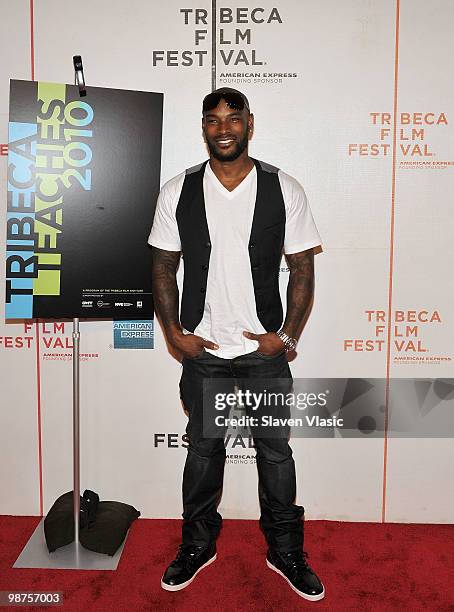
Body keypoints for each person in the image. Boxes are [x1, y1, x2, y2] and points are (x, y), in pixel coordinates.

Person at [148, 87, 325, 601]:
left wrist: (287, 338)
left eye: (232, 118)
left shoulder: (282, 187)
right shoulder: (177, 190)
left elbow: (302, 269)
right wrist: (175, 335)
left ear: (250, 122)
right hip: (204, 355)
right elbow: (162, 266)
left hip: (263, 356)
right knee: (203, 453)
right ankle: (198, 545)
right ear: (203, 127)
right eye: (212, 120)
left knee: (275, 456)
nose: (223, 128)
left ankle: (285, 550)